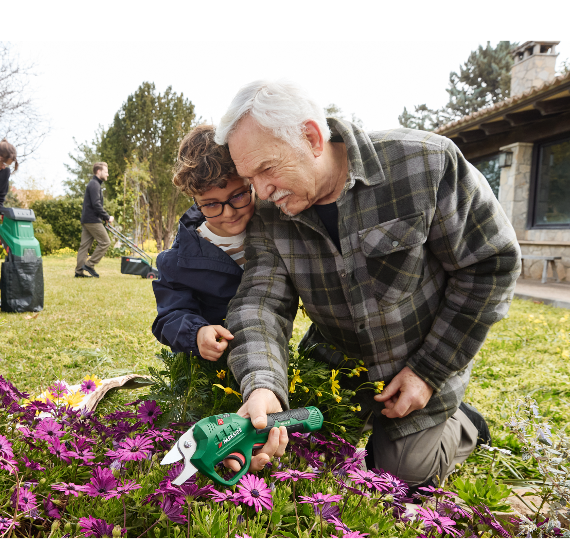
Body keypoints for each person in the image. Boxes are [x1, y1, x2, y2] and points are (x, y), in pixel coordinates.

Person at [215, 80, 522, 487]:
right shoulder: (270, 213)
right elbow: (260, 304)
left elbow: (491, 264)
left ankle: (466, 424)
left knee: (400, 475)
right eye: (249, 177)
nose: (262, 192)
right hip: (336, 359)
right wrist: (263, 384)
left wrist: (428, 371)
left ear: (311, 137)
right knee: (296, 455)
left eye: (267, 169)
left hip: (418, 359)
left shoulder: (425, 164)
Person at [152, 125, 255, 360]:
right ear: (195, 200)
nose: (228, 213)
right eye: (210, 204)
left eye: (238, 195)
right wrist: (197, 332)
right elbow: (169, 316)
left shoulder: (275, 228)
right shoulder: (179, 259)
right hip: (211, 367)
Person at [75, 162, 113, 278]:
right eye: (106, 172)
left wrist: (103, 217)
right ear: (98, 171)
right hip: (92, 220)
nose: (107, 174)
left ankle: (79, 272)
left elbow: (94, 205)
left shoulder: (93, 184)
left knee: (84, 246)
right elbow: (96, 204)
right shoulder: (94, 184)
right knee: (105, 242)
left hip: (87, 219)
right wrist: (107, 217)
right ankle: (89, 265)